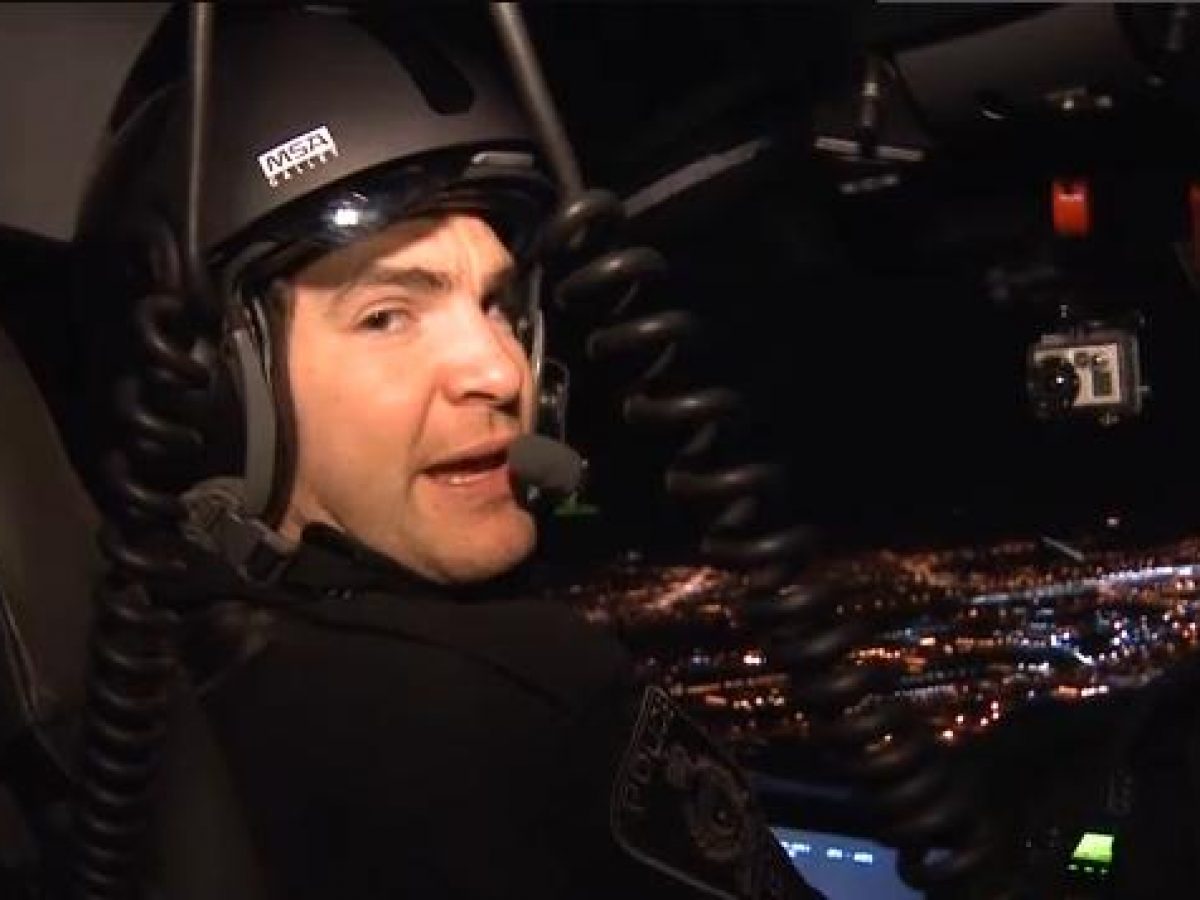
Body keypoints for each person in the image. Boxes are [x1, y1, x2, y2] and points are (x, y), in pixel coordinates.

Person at [75, 7, 821, 899]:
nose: (501, 372)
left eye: (498, 305)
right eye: (387, 315)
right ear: (212, 395)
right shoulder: (531, 695)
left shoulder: (139, 675)